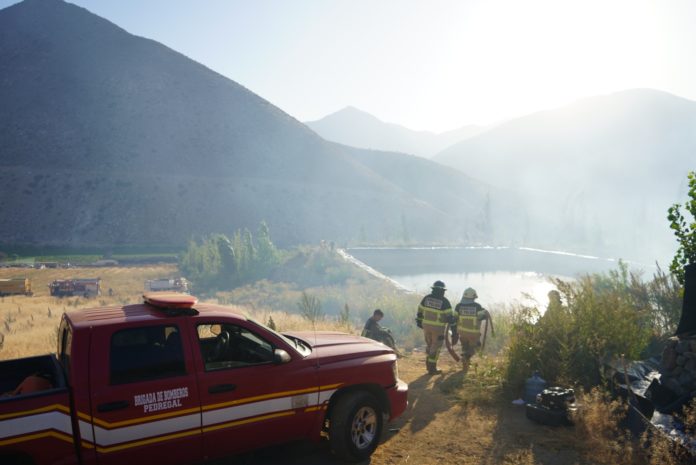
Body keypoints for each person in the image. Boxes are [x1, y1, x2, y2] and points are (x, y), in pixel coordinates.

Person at [416, 280, 456, 375]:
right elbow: (450, 318)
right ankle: (432, 368)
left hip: (426, 326)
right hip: (438, 328)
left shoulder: (426, 298)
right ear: (442, 291)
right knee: (436, 347)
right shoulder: (445, 301)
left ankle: (428, 365)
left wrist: (419, 321)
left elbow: (420, 309)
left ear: (433, 289)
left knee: (429, 345)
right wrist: (454, 330)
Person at [453, 287, 490, 372]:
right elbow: (481, 317)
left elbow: (454, 318)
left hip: (462, 332)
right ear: (473, 297)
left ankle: (465, 366)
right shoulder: (477, 306)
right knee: (475, 347)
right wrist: (484, 313)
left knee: (465, 347)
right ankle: (466, 358)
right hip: (473, 333)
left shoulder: (458, 306)